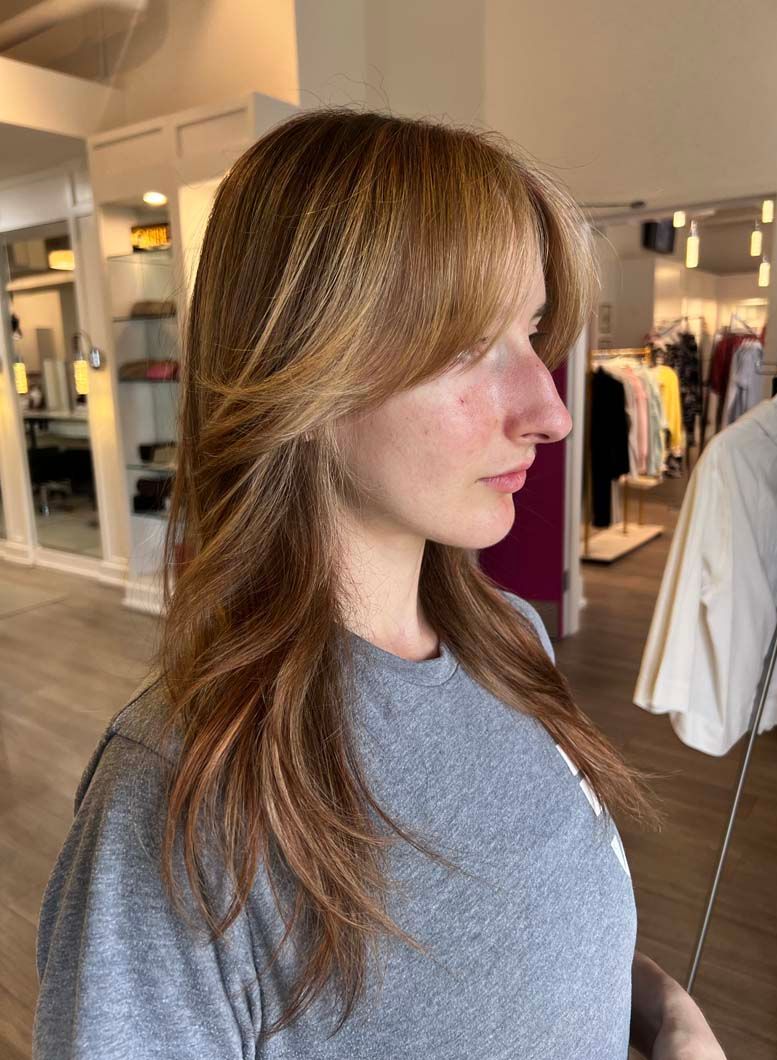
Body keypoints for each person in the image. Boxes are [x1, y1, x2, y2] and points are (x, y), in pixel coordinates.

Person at [32, 108, 726, 1059]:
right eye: (469, 344)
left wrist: (656, 1015)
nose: (551, 410)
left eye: (529, 331)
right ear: (301, 367)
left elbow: (512, 952)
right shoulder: (177, 806)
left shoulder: (511, 640)